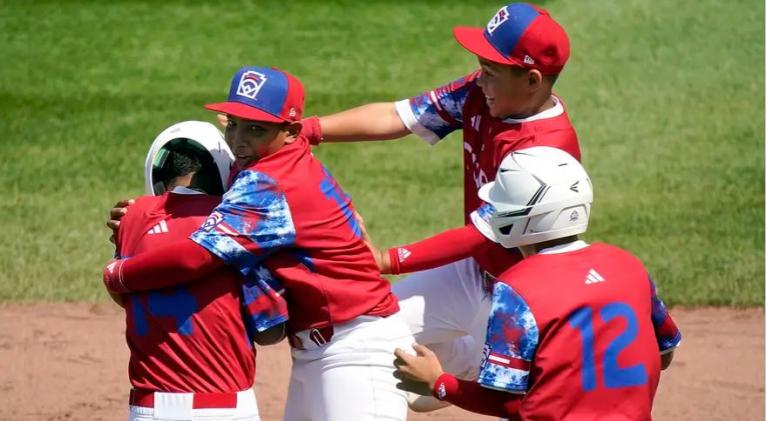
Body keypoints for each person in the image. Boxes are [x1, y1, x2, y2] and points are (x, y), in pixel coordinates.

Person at [299, 2, 580, 411]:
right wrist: (307, 131)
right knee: (372, 333)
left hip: (523, 297)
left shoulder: (545, 150)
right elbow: (399, 117)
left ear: (533, 80)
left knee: (529, 407)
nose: (478, 79)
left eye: (491, 71)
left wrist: (386, 260)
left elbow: (481, 233)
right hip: (472, 271)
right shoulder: (482, 94)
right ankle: (467, 362)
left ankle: (473, 366)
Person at [104, 66, 415, 421]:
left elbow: (195, 256)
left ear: (292, 131)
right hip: (317, 352)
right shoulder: (284, 158)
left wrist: (119, 274)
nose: (238, 141)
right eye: (234, 124)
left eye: (256, 129)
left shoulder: (269, 183)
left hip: (355, 351)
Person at [392, 146, 682, 419]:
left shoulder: (518, 286)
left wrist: (438, 382)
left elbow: (505, 401)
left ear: (518, 219)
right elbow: (664, 352)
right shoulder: (628, 265)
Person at [111, 120, 285, 421]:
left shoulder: (131, 217)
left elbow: (124, 295)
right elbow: (270, 332)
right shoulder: (238, 225)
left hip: (148, 409)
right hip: (225, 408)